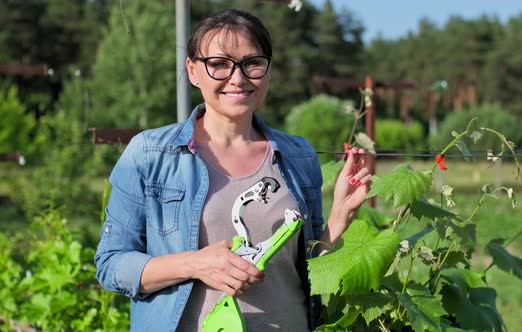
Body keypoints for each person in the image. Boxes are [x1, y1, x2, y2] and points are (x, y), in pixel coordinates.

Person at [94, 8, 371, 332]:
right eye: (219, 64)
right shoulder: (150, 154)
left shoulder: (298, 155)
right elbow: (111, 265)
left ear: (268, 70)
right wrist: (196, 264)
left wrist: (339, 218)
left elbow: (306, 272)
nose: (237, 78)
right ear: (193, 71)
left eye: (252, 63)